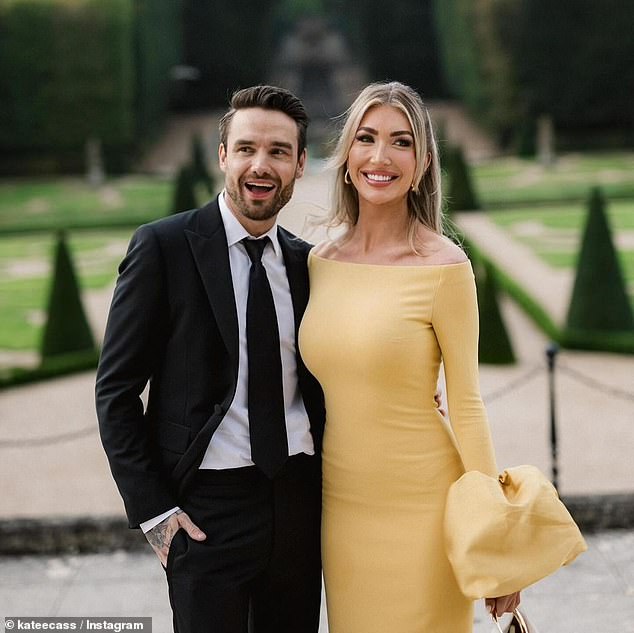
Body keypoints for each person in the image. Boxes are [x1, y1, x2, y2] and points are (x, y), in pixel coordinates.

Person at [96, 85, 326, 633]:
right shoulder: (162, 247)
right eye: (246, 148)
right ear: (222, 156)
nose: (260, 165)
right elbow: (116, 392)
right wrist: (155, 513)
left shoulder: (311, 264)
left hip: (299, 501)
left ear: (298, 165)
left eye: (278, 152)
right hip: (205, 511)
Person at [298, 81, 520, 633]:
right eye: (367, 138)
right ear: (346, 154)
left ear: (421, 163)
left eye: (401, 142)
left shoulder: (445, 267)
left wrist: (498, 541)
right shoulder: (319, 261)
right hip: (341, 507)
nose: (380, 157)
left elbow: (467, 406)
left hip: (425, 503)